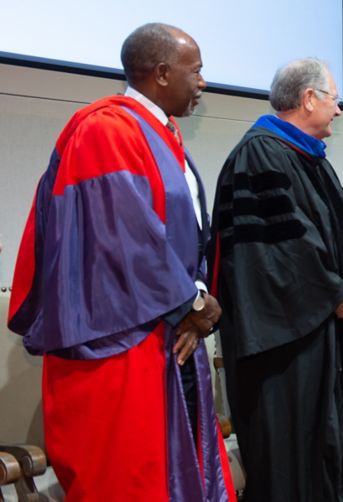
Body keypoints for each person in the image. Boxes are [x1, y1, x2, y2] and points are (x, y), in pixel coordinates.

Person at [6, 23, 234, 500]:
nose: (203, 83)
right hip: (117, 344)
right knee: (131, 479)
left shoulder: (161, 133)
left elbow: (182, 234)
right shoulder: (105, 129)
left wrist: (195, 302)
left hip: (164, 334)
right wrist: (192, 303)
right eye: (197, 72)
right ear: (162, 73)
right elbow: (127, 237)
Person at [209, 58, 343, 501]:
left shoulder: (310, 159)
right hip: (283, 347)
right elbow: (280, 251)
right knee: (290, 459)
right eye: (335, 100)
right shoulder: (260, 154)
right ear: (308, 99)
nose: (339, 111)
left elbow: (337, 238)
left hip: (319, 334)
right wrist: (337, 294)